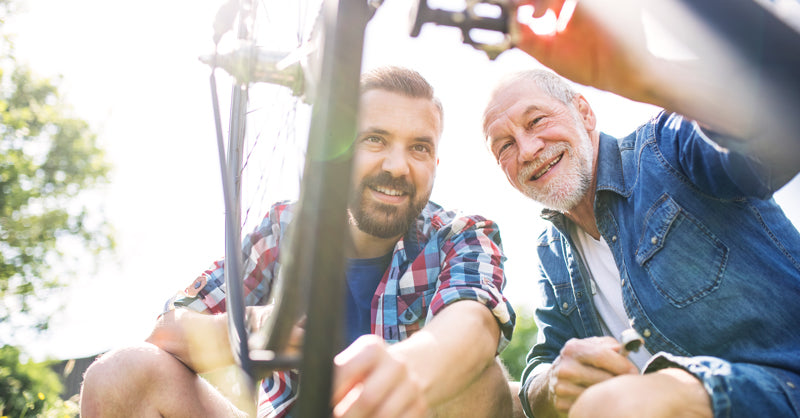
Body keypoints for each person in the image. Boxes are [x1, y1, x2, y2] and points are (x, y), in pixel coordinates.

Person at [80, 66, 516, 417]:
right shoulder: (284, 228)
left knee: (476, 377)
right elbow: (167, 329)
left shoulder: (461, 235)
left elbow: (474, 327)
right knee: (122, 372)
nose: (398, 166)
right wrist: (251, 328)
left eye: (419, 148)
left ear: (436, 161)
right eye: (375, 140)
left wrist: (399, 371)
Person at [482, 1, 800, 417]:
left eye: (537, 120)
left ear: (585, 112)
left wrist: (646, 74)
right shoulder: (551, 250)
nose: (527, 150)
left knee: (613, 405)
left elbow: (772, 136)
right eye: (504, 145)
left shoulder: (668, 147)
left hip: (782, 385)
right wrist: (554, 380)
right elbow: (544, 362)